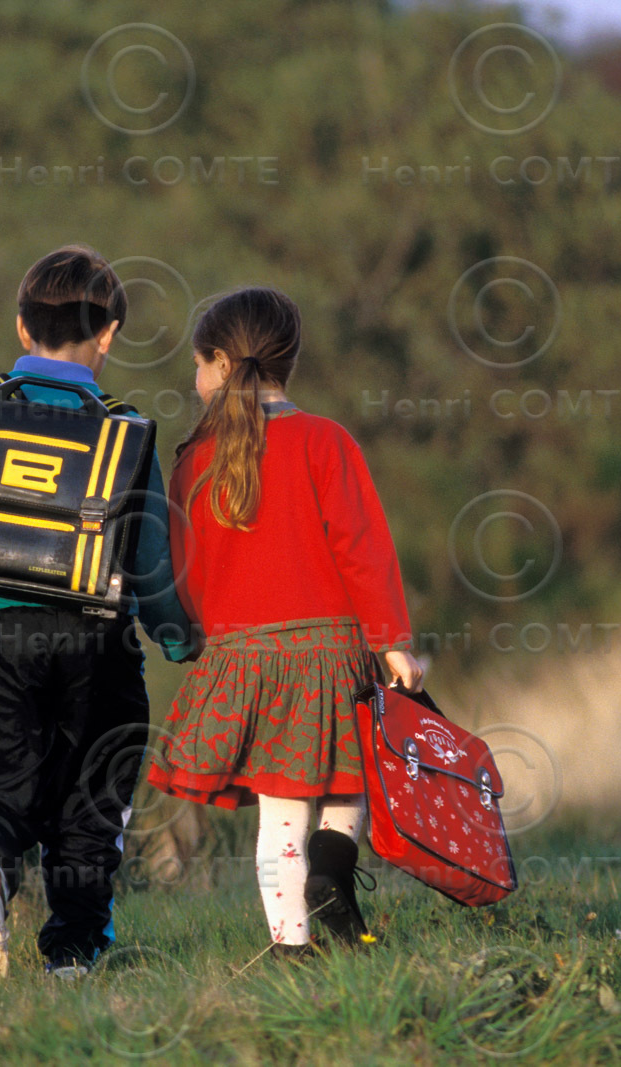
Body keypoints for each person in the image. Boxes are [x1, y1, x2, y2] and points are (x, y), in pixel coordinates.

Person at [0, 245, 196, 983]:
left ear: (22, 328)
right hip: (101, 645)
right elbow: (152, 558)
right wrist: (179, 636)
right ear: (108, 334)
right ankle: (74, 956)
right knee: (92, 800)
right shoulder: (125, 430)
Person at [146, 286, 423, 959]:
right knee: (350, 781)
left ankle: (292, 946)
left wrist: (205, 636)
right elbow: (363, 549)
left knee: (280, 815)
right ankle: (331, 866)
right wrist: (392, 641)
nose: (195, 377)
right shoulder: (326, 440)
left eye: (197, 364)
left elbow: (184, 567)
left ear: (219, 363)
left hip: (244, 659)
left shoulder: (194, 459)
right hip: (332, 651)